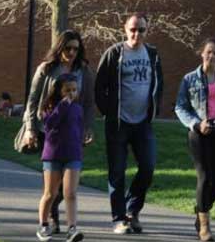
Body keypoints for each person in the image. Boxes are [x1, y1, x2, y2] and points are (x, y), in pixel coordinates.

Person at [95, 13, 163, 234]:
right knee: (117, 171)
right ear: (125, 29)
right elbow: (99, 87)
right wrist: (110, 113)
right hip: (119, 123)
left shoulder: (152, 54)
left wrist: (153, 109)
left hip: (143, 123)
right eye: (133, 29)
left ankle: (133, 211)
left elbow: (158, 84)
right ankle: (119, 218)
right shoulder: (114, 53)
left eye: (141, 30)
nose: (137, 34)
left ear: (147, 30)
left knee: (148, 167)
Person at [23, 30, 96, 234]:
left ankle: (67, 224)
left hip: (73, 131)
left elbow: (89, 102)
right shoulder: (46, 69)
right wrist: (30, 129)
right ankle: (50, 221)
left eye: (75, 48)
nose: (71, 52)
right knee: (52, 187)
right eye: (67, 48)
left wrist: (87, 127)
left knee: (68, 187)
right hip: (49, 131)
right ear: (60, 48)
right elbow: (33, 100)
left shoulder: (84, 71)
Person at [175, 37, 215, 242]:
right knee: (205, 177)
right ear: (202, 53)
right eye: (209, 52)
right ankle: (204, 227)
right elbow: (180, 107)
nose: (211, 56)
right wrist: (196, 123)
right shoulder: (189, 79)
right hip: (199, 133)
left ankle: (200, 209)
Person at [37, 73, 86, 242]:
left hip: (73, 155)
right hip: (53, 155)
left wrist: (82, 142)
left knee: (70, 193)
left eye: (74, 90)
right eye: (67, 90)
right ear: (59, 91)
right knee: (50, 193)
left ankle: (72, 228)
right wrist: (62, 106)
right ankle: (43, 226)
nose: (71, 93)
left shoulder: (78, 108)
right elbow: (49, 125)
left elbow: (78, 129)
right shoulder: (50, 107)